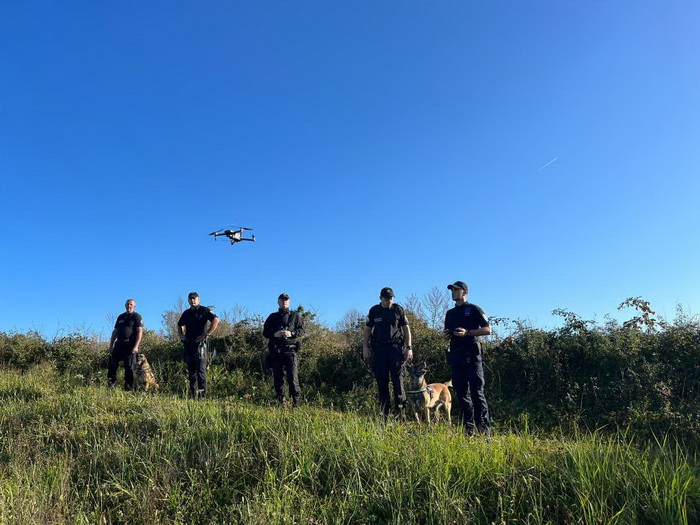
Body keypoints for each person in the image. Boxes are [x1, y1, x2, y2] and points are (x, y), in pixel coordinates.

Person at [443, 281, 492, 435]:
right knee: (461, 393)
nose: (453, 292)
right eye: (452, 290)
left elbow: (487, 330)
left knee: (477, 393)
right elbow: (446, 332)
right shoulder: (450, 314)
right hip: (456, 356)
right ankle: (468, 430)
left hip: (472, 356)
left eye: (456, 290)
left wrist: (468, 333)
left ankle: (484, 431)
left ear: (464, 292)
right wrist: (447, 335)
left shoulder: (474, 309)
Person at [363, 287, 413, 419]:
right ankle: (385, 412)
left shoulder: (398, 309)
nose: (389, 301)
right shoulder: (374, 311)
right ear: (381, 298)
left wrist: (409, 347)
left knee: (398, 381)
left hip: (395, 349)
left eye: (391, 298)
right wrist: (365, 348)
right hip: (379, 350)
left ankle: (400, 412)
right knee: (382, 381)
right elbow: (368, 331)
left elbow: (406, 329)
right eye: (386, 298)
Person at [263, 293, 305, 407]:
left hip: (290, 351)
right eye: (282, 300)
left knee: (292, 378)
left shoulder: (295, 316)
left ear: (289, 302)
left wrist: (291, 333)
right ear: (278, 302)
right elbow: (265, 332)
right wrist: (274, 334)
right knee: (278, 378)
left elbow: (302, 330)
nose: (284, 302)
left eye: (286, 300)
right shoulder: (272, 317)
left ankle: (295, 403)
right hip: (276, 351)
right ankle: (281, 402)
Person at [177, 292, 219, 399]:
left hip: (200, 344)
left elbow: (216, 320)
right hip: (188, 344)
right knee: (191, 372)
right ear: (188, 300)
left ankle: (202, 397)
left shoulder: (204, 310)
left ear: (198, 299)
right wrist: (181, 335)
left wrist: (207, 334)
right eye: (190, 299)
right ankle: (193, 395)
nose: (192, 301)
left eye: (194, 299)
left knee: (201, 371)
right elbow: (180, 324)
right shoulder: (186, 313)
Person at [107, 298, 143, 390]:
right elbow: (115, 331)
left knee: (129, 367)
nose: (129, 306)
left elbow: (139, 332)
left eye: (131, 304)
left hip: (130, 345)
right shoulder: (120, 317)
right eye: (127, 304)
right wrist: (111, 345)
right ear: (125, 305)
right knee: (112, 365)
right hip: (119, 344)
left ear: (134, 306)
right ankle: (111, 385)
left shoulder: (136, 316)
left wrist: (136, 346)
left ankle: (128, 387)